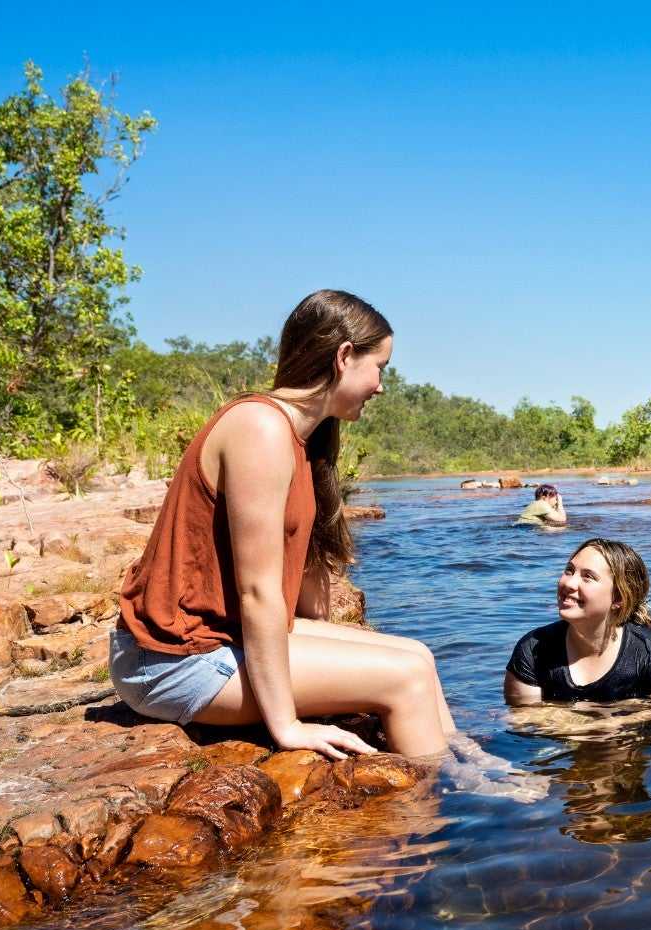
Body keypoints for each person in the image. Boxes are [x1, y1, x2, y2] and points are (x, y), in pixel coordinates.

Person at [110, 290, 527, 793]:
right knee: (404, 680)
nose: (381, 387)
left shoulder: (302, 441)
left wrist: (336, 657)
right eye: (381, 368)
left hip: (216, 641)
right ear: (344, 356)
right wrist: (286, 726)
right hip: (173, 662)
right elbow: (258, 594)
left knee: (418, 655)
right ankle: (432, 825)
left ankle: (468, 766)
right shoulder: (259, 427)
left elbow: (295, 581)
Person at [505, 538, 651, 704]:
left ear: (619, 598)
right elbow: (524, 722)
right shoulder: (534, 648)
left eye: (588, 577)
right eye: (569, 571)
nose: (568, 583)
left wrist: (562, 715)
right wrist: (621, 712)